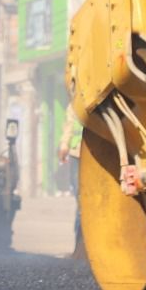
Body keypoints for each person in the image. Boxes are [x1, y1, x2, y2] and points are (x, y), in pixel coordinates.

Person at [57, 106, 84, 258]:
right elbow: (70, 122)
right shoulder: (76, 101)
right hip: (78, 152)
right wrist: (65, 144)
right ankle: (80, 248)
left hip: (86, 152)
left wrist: (64, 144)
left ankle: (82, 248)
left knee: (83, 202)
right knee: (81, 202)